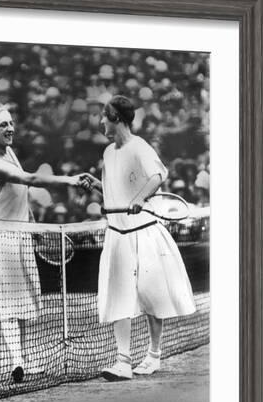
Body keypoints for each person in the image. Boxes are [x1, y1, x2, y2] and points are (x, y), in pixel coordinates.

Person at [84, 95, 196, 380]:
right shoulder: (109, 153)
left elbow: (159, 175)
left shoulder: (140, 146)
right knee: (118, 297)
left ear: (117, 119)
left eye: (104, 117)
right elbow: (114, 192)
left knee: (152, 297)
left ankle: (154, 355)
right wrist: (96, 185)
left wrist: (140, 197)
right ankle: (123, 361)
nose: (100, 122)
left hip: (144, 233)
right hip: (118, 235)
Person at [0, 100, 91, 383]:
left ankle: (24, 362)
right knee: (9, 305)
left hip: (21, 236)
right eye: (4, 124)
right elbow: (29, 179)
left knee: (25, 304)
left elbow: (20, 194)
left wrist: (32, 225)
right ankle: (17, 361)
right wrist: (70, 180)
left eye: (11, 123)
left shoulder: (9, 152)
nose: (10, 128)